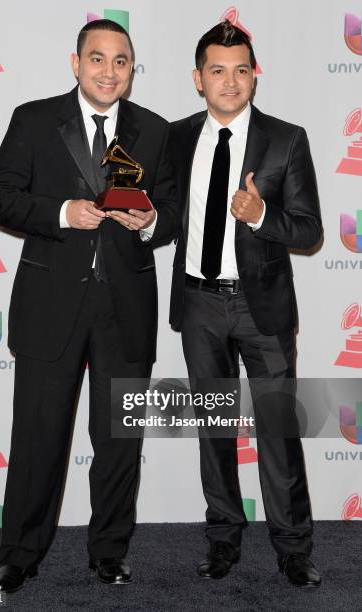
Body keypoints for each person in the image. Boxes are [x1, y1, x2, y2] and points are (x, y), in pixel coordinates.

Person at [0, 19, 176, 591]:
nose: (108, 71)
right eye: (97, 59)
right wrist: (63, 214)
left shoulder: (155, 131)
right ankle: (19, 555)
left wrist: (152, 222)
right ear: (76, 63)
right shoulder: (34, 119)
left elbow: (169, 212)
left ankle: (109, 553)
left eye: (121, 61)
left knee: (119, 440)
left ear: (132, 70)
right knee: (39, 435)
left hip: (127, 308)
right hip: (49, 304)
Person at [169, 20, 322, 587]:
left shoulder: (287, 139)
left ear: (254, 74)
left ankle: (293, 549)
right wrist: (143, 222)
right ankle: (223, 540)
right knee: (215, 429)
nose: (230, 82)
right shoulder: (178, 137)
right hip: (199, 304)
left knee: (278, 431)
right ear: (197, 79)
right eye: (217, 70)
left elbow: (308, 230)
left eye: (240, 70)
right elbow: (166, 211)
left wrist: (260, 215)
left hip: (264, 310)